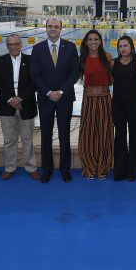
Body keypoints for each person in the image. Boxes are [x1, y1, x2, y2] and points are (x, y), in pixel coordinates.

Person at [30, 18, 80, 183]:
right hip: (45, 98)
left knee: (64, 134)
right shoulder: (37, 48)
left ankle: (65, 169)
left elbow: (74, 73)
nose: (53, 29)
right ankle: (47, 169)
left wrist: (60, 91)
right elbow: (35, 74)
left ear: (61, 29)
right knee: (46, 134)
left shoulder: (70, 47)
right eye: (50, 26)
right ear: (45, 28)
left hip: (65, 97)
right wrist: (48, 92)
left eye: (56, 26)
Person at [0, 34, 39, 181]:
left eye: (16, 44)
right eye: (10, 44)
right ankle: (9, 167)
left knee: (27, 140)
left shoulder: (31, 60)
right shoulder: (0, 61)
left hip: (26, 105)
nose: (13, 47)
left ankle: (31, 167)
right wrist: (10, 99)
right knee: (9, 140)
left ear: (21, 45)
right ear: (7, 46)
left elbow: (34, 82)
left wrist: (20, 98)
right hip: (6, 106)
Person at [112, 36, 136, 181]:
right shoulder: (113, 63)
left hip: (135, 105)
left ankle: (133, 170)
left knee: (134, 137)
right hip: (118, 105)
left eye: (125, 45)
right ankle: (120, 170)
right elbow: (111, 84)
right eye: (120, 46)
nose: (123, 48)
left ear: (131, 47)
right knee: (119, 137)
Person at [78, 29, 114, 180]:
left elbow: (114, 79)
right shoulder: (82, 59)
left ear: (100, 41)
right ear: (86, 42)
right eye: (90, 39)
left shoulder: (108, 57)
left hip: (105, 99)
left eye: (96, 39)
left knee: (104, 133)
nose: (93, 42)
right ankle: (90, 165)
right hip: (88, 100)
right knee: (88, 134)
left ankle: (103, 166)